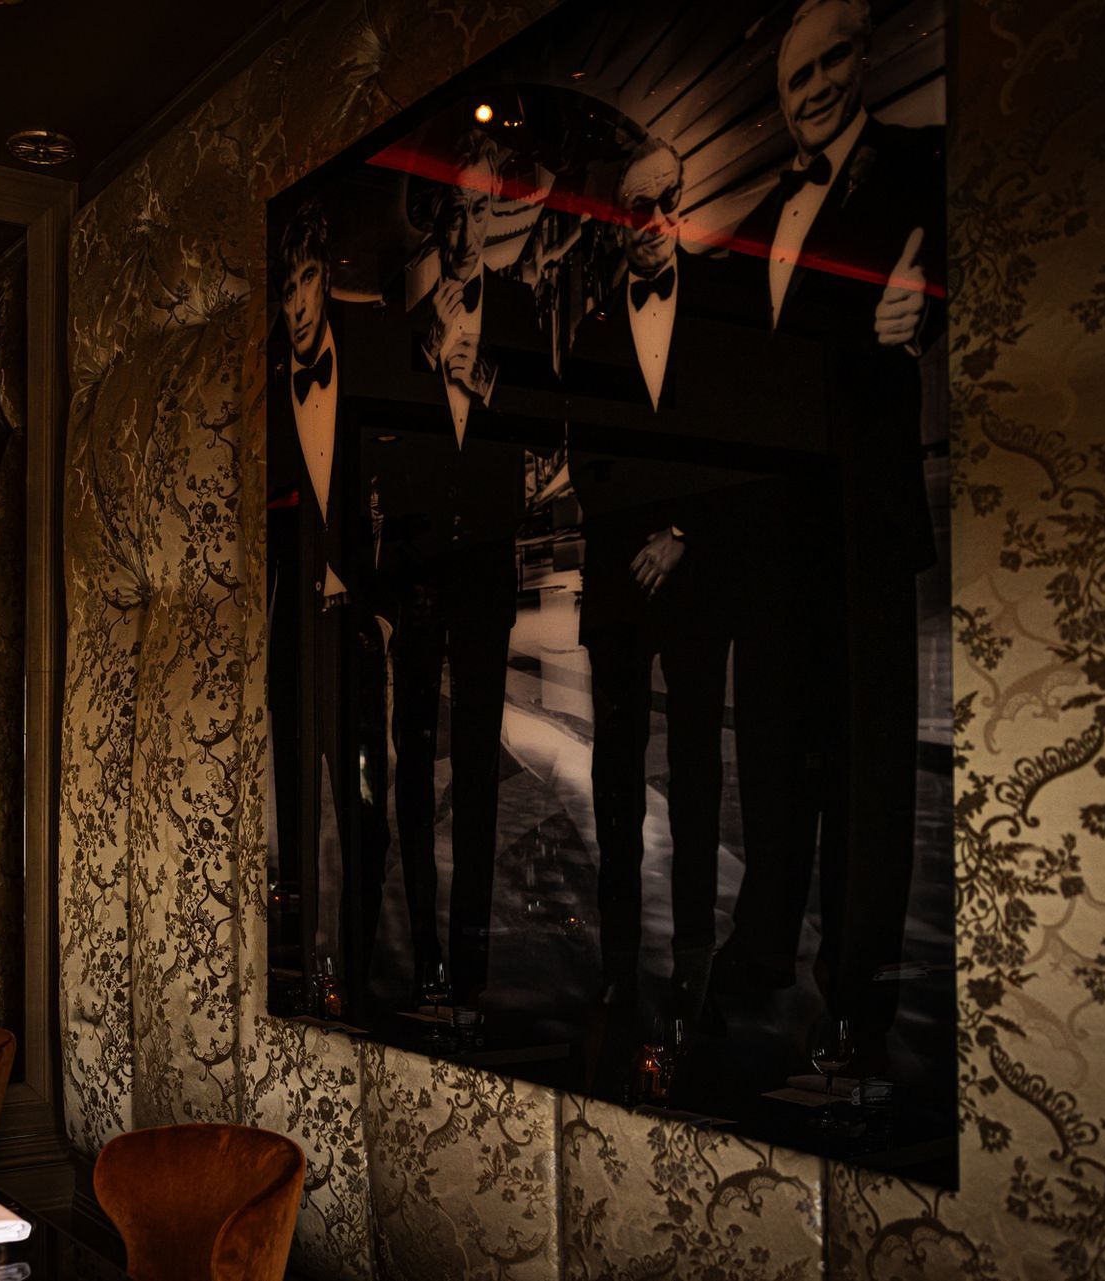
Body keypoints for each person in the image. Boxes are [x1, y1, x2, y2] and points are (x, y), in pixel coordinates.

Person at [713, 0, 943, 1048]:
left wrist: (927, 309)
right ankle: (761, 949)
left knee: (867, 768)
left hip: (860, 522)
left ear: (867, 57)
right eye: (795, 76)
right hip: (772, 535)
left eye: (831, 62)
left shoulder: (922, 165)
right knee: (769, 755)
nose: (813, 89)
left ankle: (859, 988)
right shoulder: (759, 220)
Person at [559, 137, 749, 1020]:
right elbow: (584, 453)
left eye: (666, 200)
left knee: (700, 771)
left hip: (697, 574)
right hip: (616, 583)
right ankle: (620, 951)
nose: (654, 221)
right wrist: (641, 531)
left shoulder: (720, 311)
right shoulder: (593, 330)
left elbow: (734, 440)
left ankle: (700, 958)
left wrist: (682, 531)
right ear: (618, 220)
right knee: (615, 776)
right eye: (637, 207)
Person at [371, 125, 546, 1007]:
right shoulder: (405, 331)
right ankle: (423, 950)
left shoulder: (517, 320)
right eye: (453, 210)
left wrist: (488, 389)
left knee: (477, 764)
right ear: (436, 220)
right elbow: (384, 459)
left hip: (481, 571)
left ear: (493, 216)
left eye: (480, 209)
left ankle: (469, 959)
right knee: (412, 759)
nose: (466, 227)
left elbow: (553, 437)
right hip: (413, 576)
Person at [265, 199, 393, 1015]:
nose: (300, 302)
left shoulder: (371, 368)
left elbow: (397, 490)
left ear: (328, 284)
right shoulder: (266, 394)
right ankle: (302, 972)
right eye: (288, 288)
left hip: (352, 625)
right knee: (295, 801)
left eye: (310, 280)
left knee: (362, 798)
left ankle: (366, 959)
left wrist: (370, 595)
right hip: (289, 631)